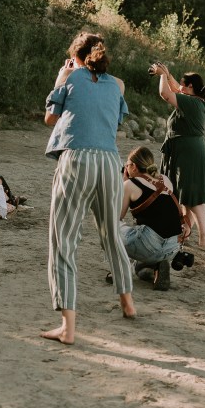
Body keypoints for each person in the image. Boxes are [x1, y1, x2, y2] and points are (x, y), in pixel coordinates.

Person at [42, 31, 136, 346]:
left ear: (75, 57)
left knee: (63, 240)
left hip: (76, 159)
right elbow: (113, 117)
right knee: (111, 232)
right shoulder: (118, 84)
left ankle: (67, 327)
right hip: (109, 162)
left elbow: (50, 118)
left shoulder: (69, 77)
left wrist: (61, 77)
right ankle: (127, 302)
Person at [149, 63, 205, 249]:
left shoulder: (192, 103)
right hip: (185, 150)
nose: (180, 87)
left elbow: (166, 94)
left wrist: (162, 76)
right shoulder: (194, 99)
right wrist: (167, 74)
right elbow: (176, 88)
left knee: (192, 194)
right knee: (183, 194)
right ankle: (186, 229)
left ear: (190, 86)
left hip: (189, 152)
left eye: (184, 84)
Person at [119, 146, 185, 291]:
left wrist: (123, 183)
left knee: (110, 225)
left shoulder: (129, 184)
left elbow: (118, 216)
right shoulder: (165, 180)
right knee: (140, 271)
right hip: (172, 248)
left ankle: (120, 270)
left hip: (150, 243)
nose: (126, 168)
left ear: (134, 166)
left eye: (127, 165)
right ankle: (156, 266)